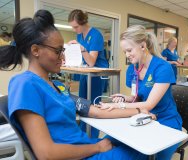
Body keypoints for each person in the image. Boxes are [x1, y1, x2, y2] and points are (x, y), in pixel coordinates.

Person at [0, 10, 153, 160]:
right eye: (58, 51)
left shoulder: (56, 86)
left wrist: (139, 111)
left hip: (83, 146)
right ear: (35, 50)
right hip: (75, 153)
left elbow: (95, 111)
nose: (63, 56)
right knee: (141, 149)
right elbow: (46, 154)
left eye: (64, 50)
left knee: (127, 138)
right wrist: (97, 147)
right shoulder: (25, 84)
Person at [99, 25, 183, 160]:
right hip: (143, 116)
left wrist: (118, 106)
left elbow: (149, 104)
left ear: (143, 46)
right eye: (124, 52)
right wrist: (125, 98)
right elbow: (137, 97)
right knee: (107, 142)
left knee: (147, 153)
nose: (127, 55)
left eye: (129, 50)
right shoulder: (132, 69)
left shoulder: (163, 68)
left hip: (166, 120)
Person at [68, 9, 109, 138]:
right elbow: (83, 59)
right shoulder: (79, 35)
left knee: (93, 105)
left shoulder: (96, 35)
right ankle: (83, 134)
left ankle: (93, 136)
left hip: (97, 73)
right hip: (86, 73)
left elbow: (91, 61)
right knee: (82, 104)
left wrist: (82, 48)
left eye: (76, 26)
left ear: (83, 22)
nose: (74, 30)